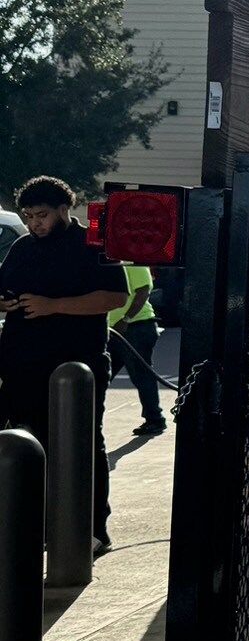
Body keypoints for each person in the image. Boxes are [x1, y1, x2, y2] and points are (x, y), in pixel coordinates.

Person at [0, 176, 127, 555]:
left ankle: (93, 529)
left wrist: (53, 305)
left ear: (63, 209)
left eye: (42, 215)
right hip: (22, 365)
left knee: (83, 442)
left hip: (77, 363)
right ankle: (41, 524)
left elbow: (115, 296)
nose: (35, 223)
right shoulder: (22, 248)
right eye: (28, 216)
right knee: (29, 441)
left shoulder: (94, 244)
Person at [110, 259, 167, 438]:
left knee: (141, 374)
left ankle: (155, 419)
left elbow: (144, 289)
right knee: (101, 374)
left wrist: (126, 319)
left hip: (136, 325)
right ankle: (89, 418)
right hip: (113, 328)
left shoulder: (131, 259)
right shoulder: (103, 261)